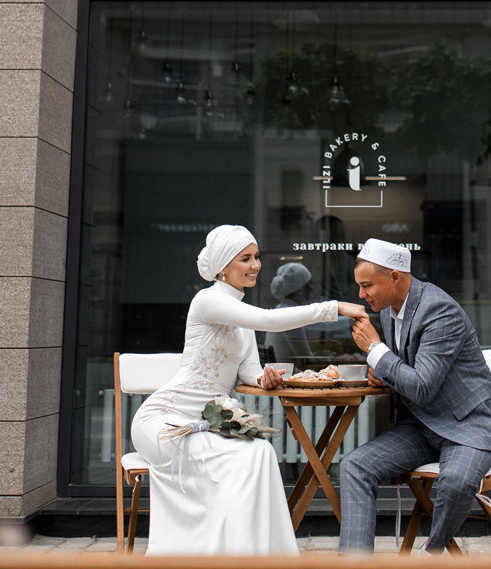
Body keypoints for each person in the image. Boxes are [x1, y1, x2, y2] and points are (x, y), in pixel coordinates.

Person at [131, 225, 368, 555]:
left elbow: (251, 372)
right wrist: (335, 307)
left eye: (256, 257)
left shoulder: (239, 316)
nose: (256, 265)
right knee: (243, 458)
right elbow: (269, 320)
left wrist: (265, 379)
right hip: (164, 423)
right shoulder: (208, 300)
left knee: (260, 452)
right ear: (224, 266)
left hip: (206, 426)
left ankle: (254, 555)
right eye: (246, 258)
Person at [338, 238, 491, 554]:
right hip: (423, 425)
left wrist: (376, 351)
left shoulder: (438, 309)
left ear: (395, 276)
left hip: (470, 426)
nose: (361, 295)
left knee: (456, 483)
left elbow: (422, 385)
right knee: (355, 466)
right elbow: (406, 373)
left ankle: (429, 553)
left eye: (367, 286)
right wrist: (383, 375)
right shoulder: (388, 309)